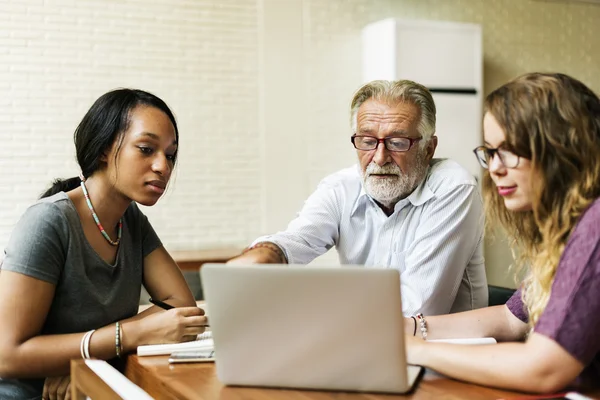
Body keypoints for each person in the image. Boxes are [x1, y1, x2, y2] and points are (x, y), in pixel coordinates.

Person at [0, 89, 208, 400]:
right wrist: (130, 335)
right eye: (146, 148)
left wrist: (86, 360)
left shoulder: (130, 220)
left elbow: (181, 307)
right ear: (104, 148)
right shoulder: (48, 221)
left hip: (91, 388)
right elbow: (7, 354)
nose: (163, 166)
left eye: (170, 154)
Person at [404, 73, 600, 392]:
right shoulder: (571, 226)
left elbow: (545, 368)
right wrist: (411, 328)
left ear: (562, 148)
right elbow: (512, 319)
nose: (494, 168)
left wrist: (416, 350)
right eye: (490, 152)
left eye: (509, 151)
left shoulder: (596, 225)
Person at [230, 79, 488, 316]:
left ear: (428, 149)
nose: (379, 158)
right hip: (365, 339)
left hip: (448, 351)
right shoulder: (341, 187)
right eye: (367, 141)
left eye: (397, 143)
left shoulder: (454, 187)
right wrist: (270, 253)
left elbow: (417, 307)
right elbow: (297, 240)